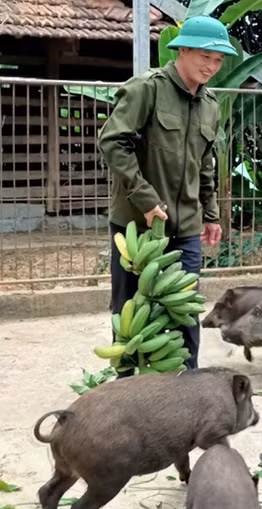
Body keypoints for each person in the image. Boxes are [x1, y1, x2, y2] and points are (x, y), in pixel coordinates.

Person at [98, 16, 237, 375]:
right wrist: (145, 199)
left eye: (219, 60)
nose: (211, 66)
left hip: (186, 226)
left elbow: (205, 164)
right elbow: (114, 142)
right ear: (183, 49)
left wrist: (209, 214)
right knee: (130, 310)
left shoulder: (210, 105)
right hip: (136, 225)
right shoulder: (147, 89)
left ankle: (185, 388)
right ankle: (129, 387)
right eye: (205, 56)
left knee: (184, 311)